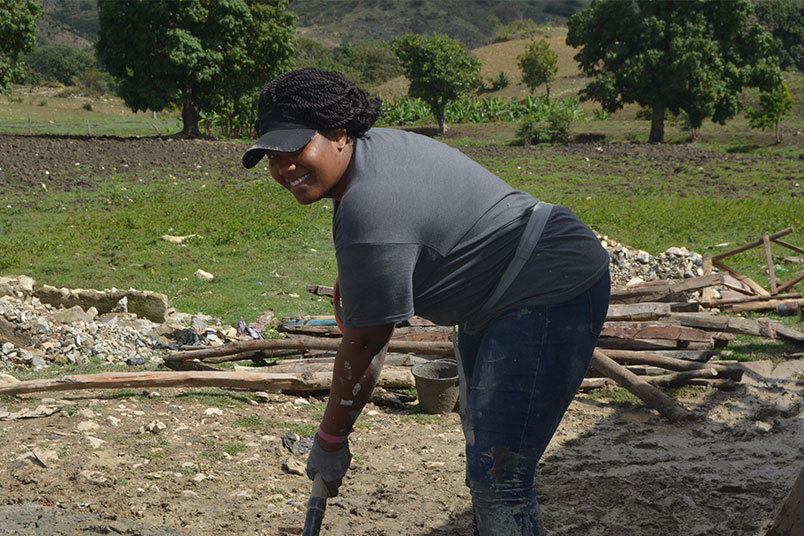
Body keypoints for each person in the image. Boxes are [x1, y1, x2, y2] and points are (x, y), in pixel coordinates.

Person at [242, 67, 611, 535]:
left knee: (500, 476)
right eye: (272, 156)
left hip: (547, 287)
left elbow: (366, 345)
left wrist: (330, 438)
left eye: (295, 149)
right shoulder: (370, 153)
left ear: (337, 132)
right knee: (485, 455)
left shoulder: (369, 202)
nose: (283, 167)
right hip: (503, 295)